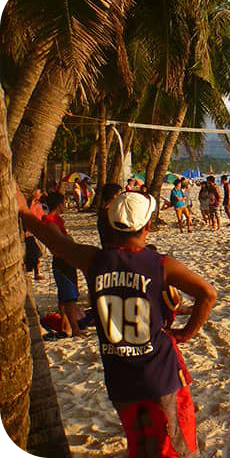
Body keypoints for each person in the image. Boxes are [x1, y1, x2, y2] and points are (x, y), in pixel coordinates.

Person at [18, 189, 216, 456]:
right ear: (147, 225)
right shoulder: (160, 265)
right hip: (160, 376)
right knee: (174, 447)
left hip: (120, 377)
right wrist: (186, 333)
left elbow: (57, 244)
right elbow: (208, 294)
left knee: (140, 444)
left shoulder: (94, 260)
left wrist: (25, 214)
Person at [41, 192, 82, 337]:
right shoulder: (51, 221)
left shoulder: (55, 220)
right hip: (63, 261)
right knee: (69, 297)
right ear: (60, 204)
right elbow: (61, 242)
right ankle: (75, 329)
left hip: (64, 260)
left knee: (65, 297)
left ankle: (67, 327)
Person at [24, 188, 46, 280]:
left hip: (36, 231)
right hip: (29, 232)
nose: (39, 195)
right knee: (35, 253)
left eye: (39, 193)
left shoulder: (38, 204)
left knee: (37, 253)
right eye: (38, 193)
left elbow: (42, 217)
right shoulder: (29, 204)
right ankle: (36, 272)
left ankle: (37, 272)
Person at [97, 183, 124, 248]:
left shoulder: (104, 210)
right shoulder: (109, 212)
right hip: (115, 248)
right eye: (119, 194)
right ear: (114, 195)